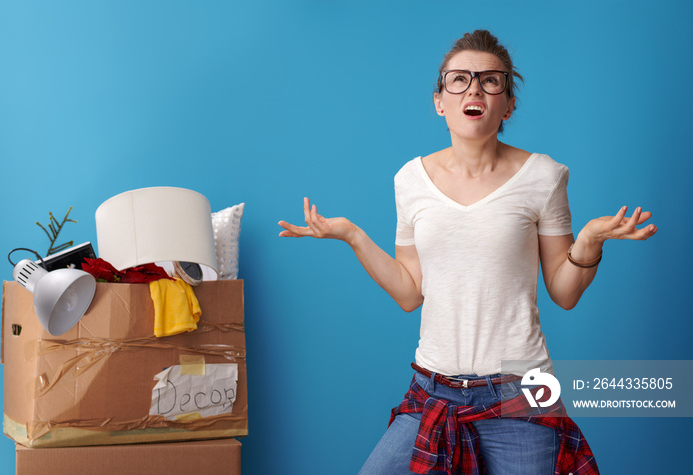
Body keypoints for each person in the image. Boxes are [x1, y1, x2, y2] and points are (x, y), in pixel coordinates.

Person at [278, 29, 657, 475]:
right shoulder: (410, 180)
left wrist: (590, 240)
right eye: (458, 79)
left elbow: (564, 291)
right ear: (439, 100)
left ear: (508, 104)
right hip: (432, 389)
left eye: (490, 80)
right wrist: (353, 236)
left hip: (521, 390)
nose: (474, 88)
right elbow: (409, 292)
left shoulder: (545, 176)